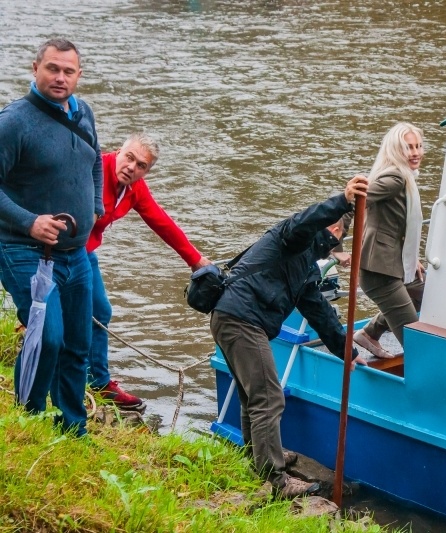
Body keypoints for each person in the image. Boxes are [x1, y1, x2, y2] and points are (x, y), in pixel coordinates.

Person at [210, 175, 368, 498]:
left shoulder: (307, 266)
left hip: (232, 317)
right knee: (269, 397)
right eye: (339, 231)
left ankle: (259, 462)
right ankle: (274, 480)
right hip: (241, 318)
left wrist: (346, 351)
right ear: (336, 231)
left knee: (252, 396)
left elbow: (320, 313)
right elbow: (305, 219)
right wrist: (344, 199)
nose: (337, 238)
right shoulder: (297, 237)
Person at [0, 38, 102, 437]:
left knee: (78, 345)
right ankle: (29, 418)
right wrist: (29, 221)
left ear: (79, 75)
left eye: (68, 71)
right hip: (25, 250)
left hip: (77, 254)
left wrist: (96, 206)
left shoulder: (84, 112)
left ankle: (72, 428)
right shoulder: (14, 122)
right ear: (35, 68)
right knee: (49, 337)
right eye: (52, 69)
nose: (60, 77)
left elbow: (94, 161)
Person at [87, 133, 212, 410]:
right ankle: (74, 377)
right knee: (80, 313)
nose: (132, 167)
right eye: (129, 158)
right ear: (118, 152)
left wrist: (195, 260)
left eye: (141, 165)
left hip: (85, 252)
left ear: (146, 171)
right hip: (59, 251)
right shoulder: (92, 169)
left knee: (100, 311)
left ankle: (97, 381)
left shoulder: (134, 189)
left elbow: (161, 221)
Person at [353, 122, 426, 359]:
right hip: (380, 272)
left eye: (418, 146)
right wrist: (337, 247)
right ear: (396, 150)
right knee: (418, 344)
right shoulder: (395, 179)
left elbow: (401, 225)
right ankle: (425, 379)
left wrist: (412, 258)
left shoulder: (405, 176)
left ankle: (370, 333)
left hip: (395, 262)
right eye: (408, 147)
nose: (415, 152)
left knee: (430, 295)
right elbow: (355, 200)